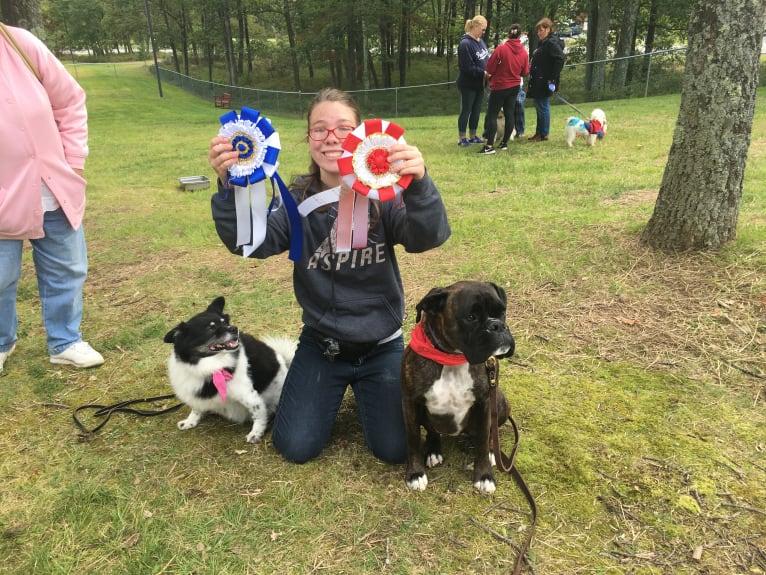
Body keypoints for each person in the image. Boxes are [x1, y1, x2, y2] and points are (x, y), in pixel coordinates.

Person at [207, 88, 451, 464]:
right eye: (319, 129)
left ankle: (371, 388)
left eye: (343, 128)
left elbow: (427, 237)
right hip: (324, 346)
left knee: (396, 449)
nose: (331, 137)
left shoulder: (384, 195)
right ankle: (315, 384)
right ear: (308, 139)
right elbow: (252, 244)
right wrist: (230, 187)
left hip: (381, 344)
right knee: (295, 446)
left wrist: (419, 184)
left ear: (361, 136)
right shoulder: (294, 200)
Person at [0, 23, 104, 373]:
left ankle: (65, 341)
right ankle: (1, 342)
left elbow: (70, 101)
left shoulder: (20, 42)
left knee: (67, 268)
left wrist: (73, 163)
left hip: (52, 185)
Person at [478, 23, 530, 155]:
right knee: (509, 113)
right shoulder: (524, 52)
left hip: (500, 86)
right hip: (514, 87)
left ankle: (489, 146)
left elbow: (490, 67)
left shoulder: (501, 49)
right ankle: (504, 143)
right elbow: (525, 72)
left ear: (508, 34)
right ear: (519, 35)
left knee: (492, 115)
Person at [526, 17, 565, 142]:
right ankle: (539, 132)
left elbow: (560, 59)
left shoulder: (550, 43)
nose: (539, 33)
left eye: (541, 30)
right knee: (539, 105)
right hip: (539, 78)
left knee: (542, 105)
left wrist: (552, 78)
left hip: (545, 80)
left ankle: (543, 133)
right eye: (538, 31)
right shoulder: (544, 43)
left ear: (548, 29)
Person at [456, 15, 490, 147]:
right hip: (468, 84)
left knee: (476, 110)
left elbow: (486, 58)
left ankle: (473, 135)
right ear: (475, 26)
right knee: (466, 109)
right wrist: (483, 72)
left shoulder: (480, 41)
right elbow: (466, 67)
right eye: (483, 29)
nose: (484, 32)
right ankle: (462, 137)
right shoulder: (465, 44)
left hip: (480, 84)